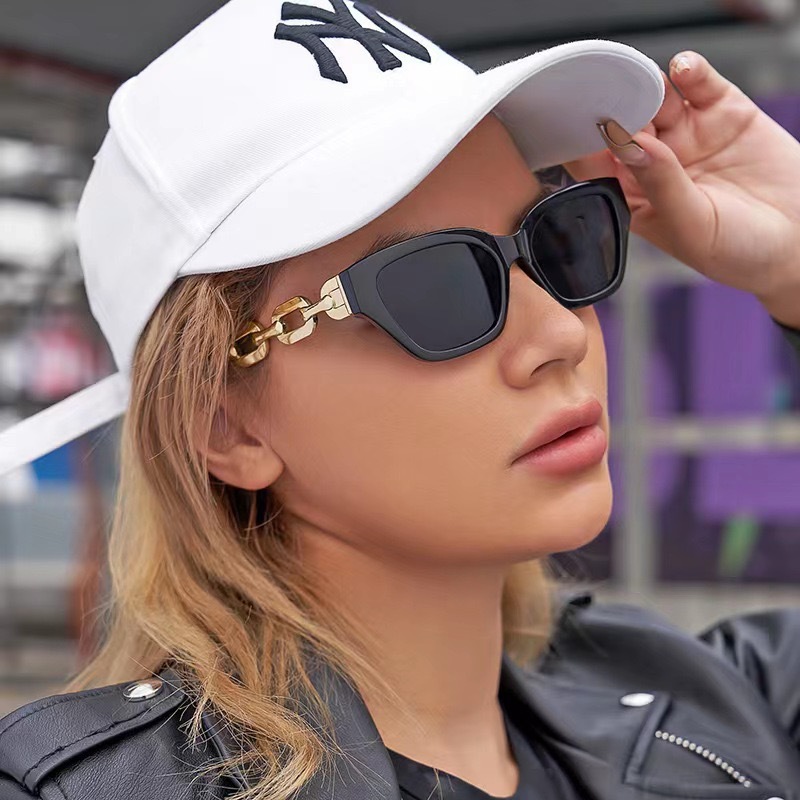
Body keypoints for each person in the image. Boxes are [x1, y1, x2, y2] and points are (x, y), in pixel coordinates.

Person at [1, 1, 800, 798]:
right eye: (438, 285)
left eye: (560, 238)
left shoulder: (709, 706)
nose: (561, 332)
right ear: (225, 424)